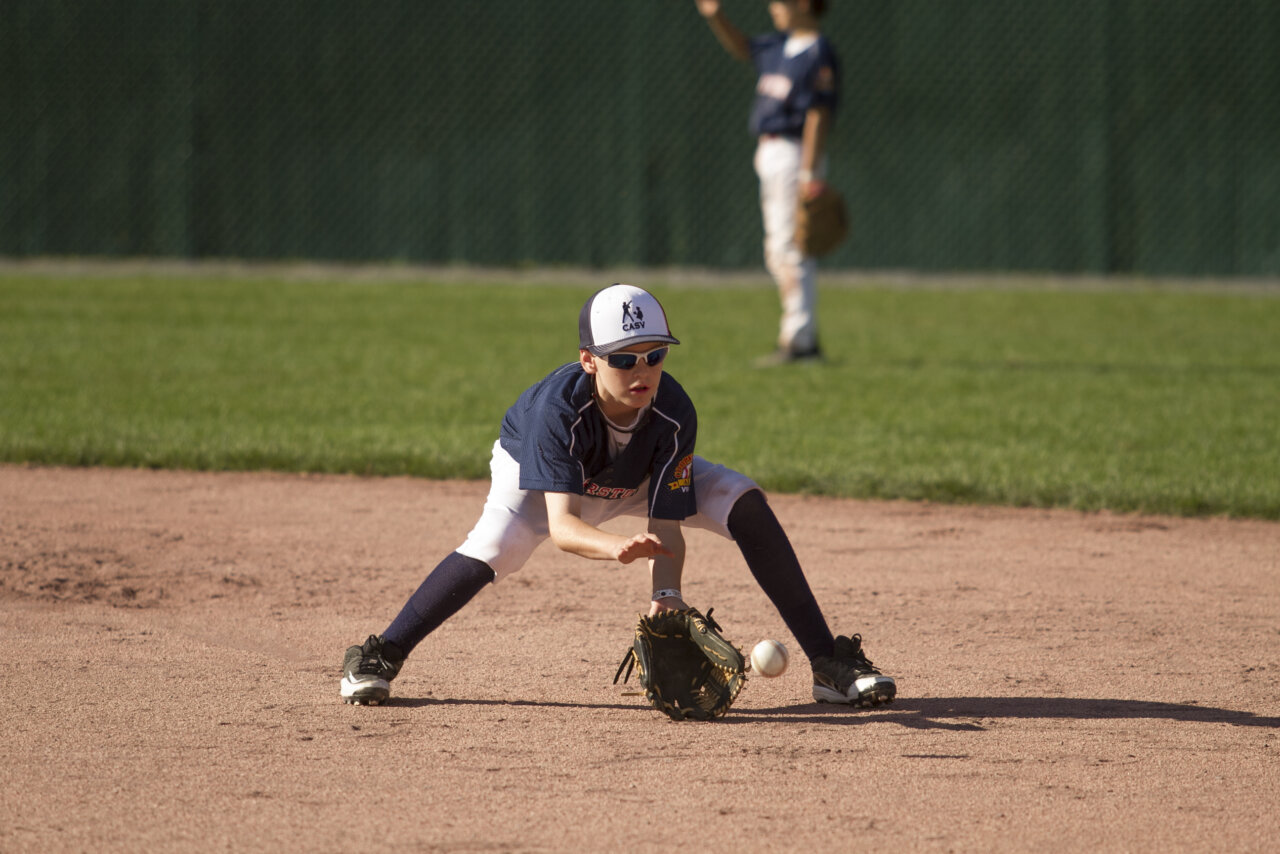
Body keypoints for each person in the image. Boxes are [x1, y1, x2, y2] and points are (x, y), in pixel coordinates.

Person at [340, 283, 895, 710]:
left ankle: (830, 665)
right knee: (497, 546)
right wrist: (616, 548)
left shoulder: (673, 411)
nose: (643, 370)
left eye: (655, 355)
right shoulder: (556, 413)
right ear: (589, 360)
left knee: (743, 500)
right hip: (536, 484)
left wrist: (668, 596)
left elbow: (667, 518)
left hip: (634, 480)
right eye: (624, 358)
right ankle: (379, 655)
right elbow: (563, 528)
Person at [694, 0, 839, 365]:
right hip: (771, 154)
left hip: (794, 154)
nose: (773, 7)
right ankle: (800, 335)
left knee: (790, 247)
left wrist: (809, 174)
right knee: (781, 248)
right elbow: (743, 47)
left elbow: (818, 115)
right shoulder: (778, 45)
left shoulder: (818, 52)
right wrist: (716, 17)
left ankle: (800, 340)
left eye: (780, 1)